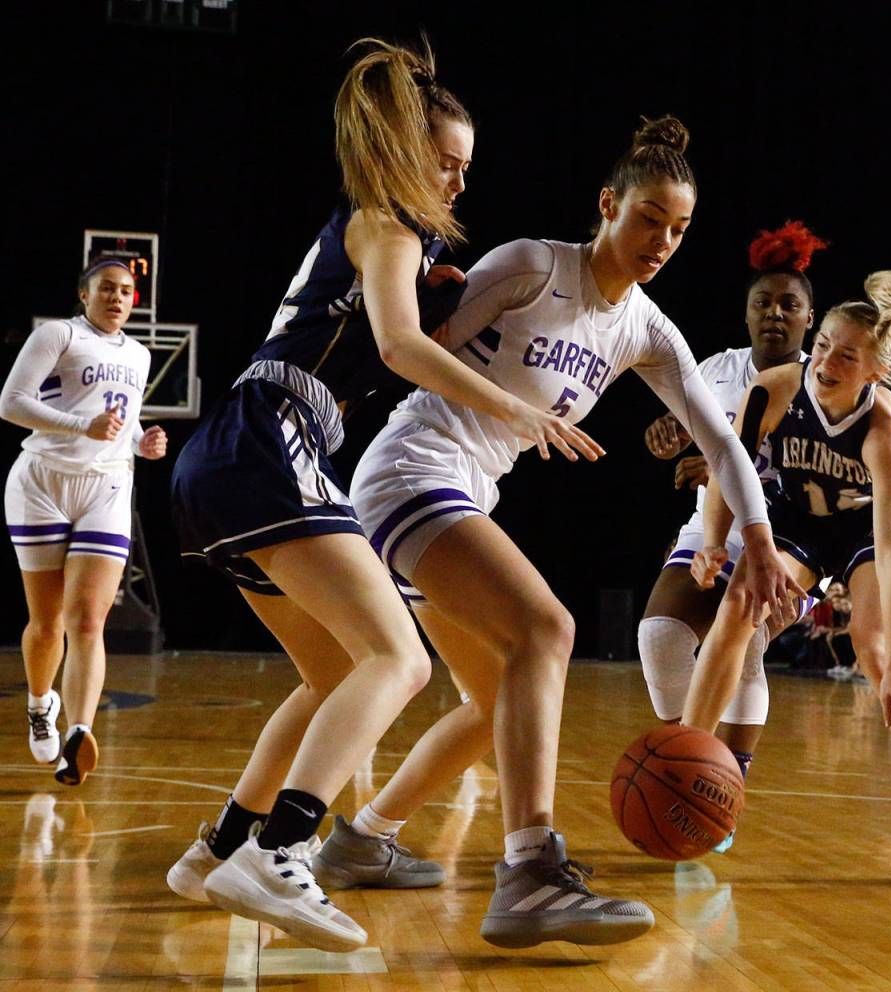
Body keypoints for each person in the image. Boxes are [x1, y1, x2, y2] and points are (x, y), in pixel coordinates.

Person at [317, 114, 801, 949]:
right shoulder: (536, 264)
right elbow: (415, 343)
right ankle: (531, 869)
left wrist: (757, 539)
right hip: (414, 468)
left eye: (679, 229)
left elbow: (722, 438)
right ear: (608, 205)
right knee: (548, 629)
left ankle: (364, 838)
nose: (662, 240)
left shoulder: (644, 328)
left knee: (495, 701)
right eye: (649, 217)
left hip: (464, 492)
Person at [165, 38, 598, 953]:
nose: (458, 181)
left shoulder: (388, 240)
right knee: (399, 660)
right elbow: (402, 348)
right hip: (269, 439)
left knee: (332, 673)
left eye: (467, 168)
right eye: (445, 161)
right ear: (402, 150)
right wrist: (518, 408)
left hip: (238, 453)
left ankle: (221, 848)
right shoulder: (386, 221)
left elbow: (385, 326)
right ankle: (282, 852)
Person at [683, 271, 891, 891]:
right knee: (739, 605)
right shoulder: (771, 389)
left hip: (872, 526)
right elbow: (726, 466)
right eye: (821, 344)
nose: (825, 359)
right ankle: (686, 762)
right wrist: (714, 541)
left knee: (876, 656)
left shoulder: (885, 432)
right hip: (801, 516)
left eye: (845, 354)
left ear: (871, 370)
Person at [637, 221, 825, 844]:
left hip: (786, 539)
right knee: (661, 636)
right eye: (762, 303)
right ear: (746, 314)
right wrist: (667, 439)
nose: (775, 313)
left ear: (810, 317)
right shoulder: (717, 368)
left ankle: (723, 785)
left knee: (741, 637)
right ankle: (688, 762)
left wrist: (724, 462)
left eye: (788, 304)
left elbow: (782, 470)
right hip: (711, 527)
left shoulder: (820, 385)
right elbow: (682, 437)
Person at [1, 258, 167, 785]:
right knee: (47, 623)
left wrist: (142, 441)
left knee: (89, 620)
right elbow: (11, 402)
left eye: (126, 291)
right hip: (42, 482)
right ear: (84, 293)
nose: (117, 298)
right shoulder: (59, 335)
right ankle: (38, 703)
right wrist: (80, 425)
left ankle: (79, 734)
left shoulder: (139, 354)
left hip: (107, 485)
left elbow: (125, 418)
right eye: (106, 289)